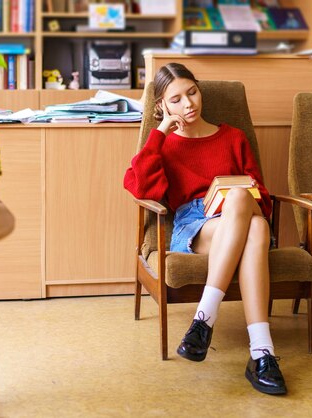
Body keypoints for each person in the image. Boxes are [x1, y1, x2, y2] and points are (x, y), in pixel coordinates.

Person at [123, 63, 287, 395]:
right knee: (255, 230)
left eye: (192, 92)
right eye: (176, 99)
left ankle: (204, 320)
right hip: (194, 223)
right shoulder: (165, 145)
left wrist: (234, 197)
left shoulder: (233, 137)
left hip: (242, 208)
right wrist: (159, 134)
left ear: (200, 89)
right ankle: (261, 353)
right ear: (163, 106)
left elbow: (263, 198)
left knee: (243, 201)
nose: (188, 104)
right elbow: (140, 188)